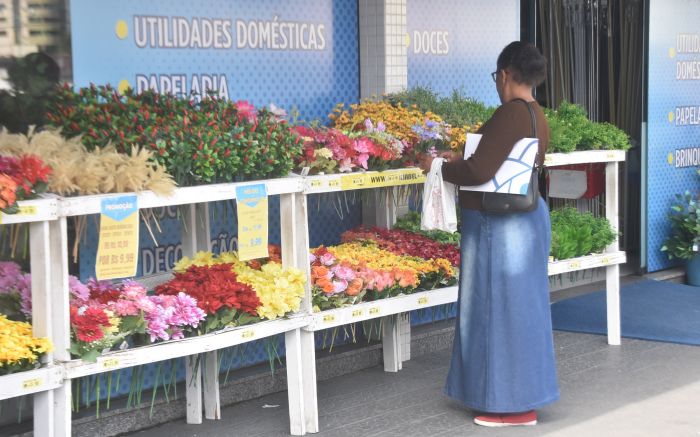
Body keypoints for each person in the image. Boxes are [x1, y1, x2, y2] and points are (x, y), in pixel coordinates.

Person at [418, 41, 559, 427]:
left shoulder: (510, 113)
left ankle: (508, 406)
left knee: (497, 312)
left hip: (501, 227)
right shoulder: (536, 114)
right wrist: (458, 160)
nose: (496, 83)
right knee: (522, 312)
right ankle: (523, 402)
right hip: (525, 221)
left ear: (506, 74)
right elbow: (489, 161)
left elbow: (480, 171)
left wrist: (437, 167)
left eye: (497, 77)